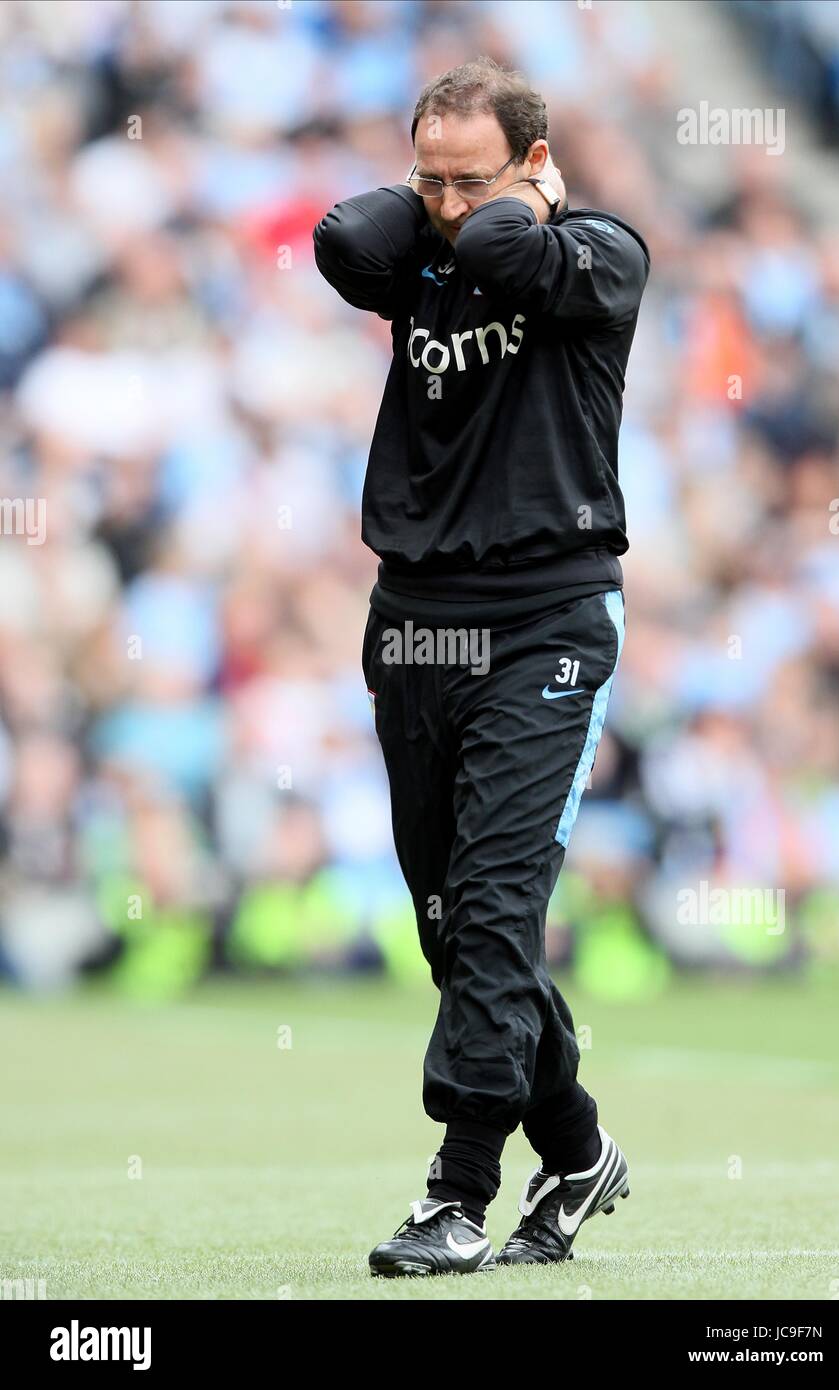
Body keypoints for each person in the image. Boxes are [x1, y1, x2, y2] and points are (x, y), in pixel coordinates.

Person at [313, 56, 649, 1277]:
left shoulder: (598, 255)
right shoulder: (423, 252)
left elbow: (513, 251)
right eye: (430, 179)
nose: (448, 207)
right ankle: (580, 1146)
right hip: (415, 621)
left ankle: (456, 1192)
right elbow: (343, 237)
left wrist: (503, 205)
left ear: (537, 164)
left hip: (547, 620)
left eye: (474, 179)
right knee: (456, 929)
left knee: (500, 909)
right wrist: (441, 198)